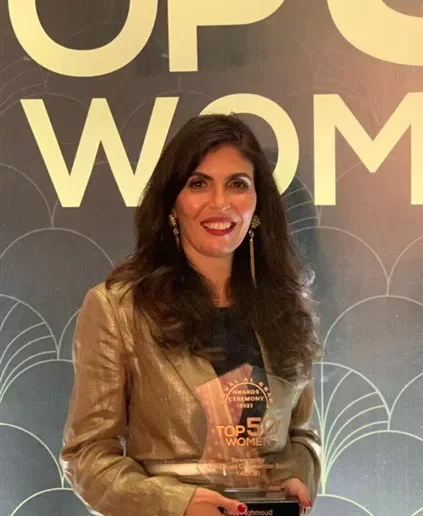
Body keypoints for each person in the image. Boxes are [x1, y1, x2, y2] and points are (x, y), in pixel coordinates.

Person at [60, 114, 322, 516]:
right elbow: (87, 456)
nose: (220, 203)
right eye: (199, 184)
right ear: (172, 203)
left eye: (237, 184)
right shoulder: (118, 308)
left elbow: (302, 435)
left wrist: (298, 477)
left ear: (257, 204)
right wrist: (175, 503)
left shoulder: (285, 306)